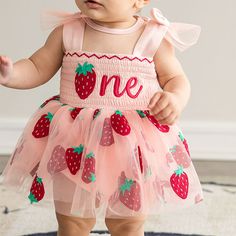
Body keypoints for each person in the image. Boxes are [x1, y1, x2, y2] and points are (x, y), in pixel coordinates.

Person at [0, 0, 204, 235]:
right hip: (74, 141)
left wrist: (175, 98)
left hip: (131, 146)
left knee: (127, 223)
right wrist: (11, 74)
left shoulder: (153, 37)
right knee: (73, 221)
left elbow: (175, 78)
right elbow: (37, 67)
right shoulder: (68, 30)